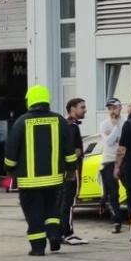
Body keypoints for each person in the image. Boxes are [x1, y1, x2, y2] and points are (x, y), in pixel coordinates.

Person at [5, 85, 77, 257]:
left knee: (33, 213)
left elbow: (11, 150)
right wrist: (71, 169)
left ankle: (38, 247)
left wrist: (10, 169)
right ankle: (54, 236)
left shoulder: (21, 122)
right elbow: (69, 150)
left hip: (29, 181)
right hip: (54, 179)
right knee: (52, 209)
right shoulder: (59, 120)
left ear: (30, 100)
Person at [59, 97, 88, 246]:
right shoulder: (71, 127)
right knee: (69, 202)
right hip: (71, 170)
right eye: (82, 107)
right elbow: (73, 150)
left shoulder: (63, 124)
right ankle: (67, 232)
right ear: (72, 109)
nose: (85, 110)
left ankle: (59, 232)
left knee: (62, 202)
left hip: (63, 170)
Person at [100, 97, 124, 233]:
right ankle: (116, 221)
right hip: (109, 161)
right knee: (112, 194)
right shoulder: (104, 124)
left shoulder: (126, 123)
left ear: (120, 108)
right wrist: (115, 127)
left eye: (114, 107)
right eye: (109, 108)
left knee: (130, 190)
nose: (112, 111)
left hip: (123, 160)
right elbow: (109, 142)